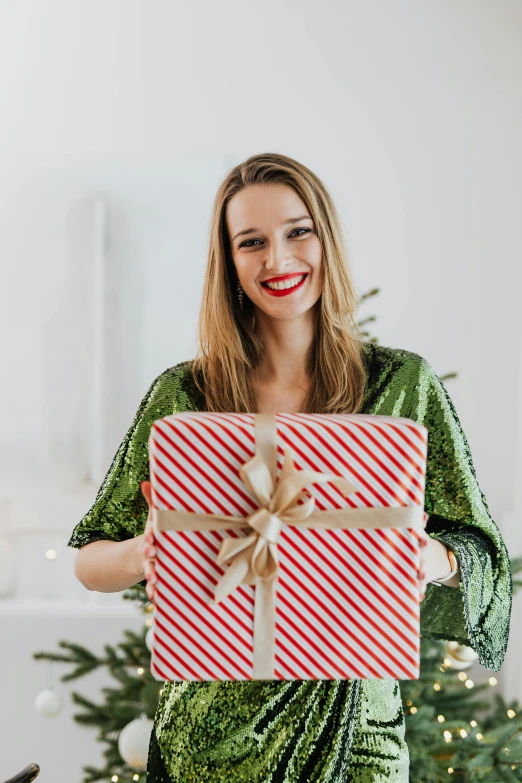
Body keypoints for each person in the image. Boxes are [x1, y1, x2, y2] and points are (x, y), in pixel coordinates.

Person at [68, 152, 512, 782]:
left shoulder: (402, 386)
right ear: (230, 262)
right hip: (213, 739)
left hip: (360, 731)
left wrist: (428, 559)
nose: (277, 260)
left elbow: (482, 556)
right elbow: (90, 559)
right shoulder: (185, 395)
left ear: (324, 237)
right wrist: (145, 553)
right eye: (252, 242)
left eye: (296, 232)